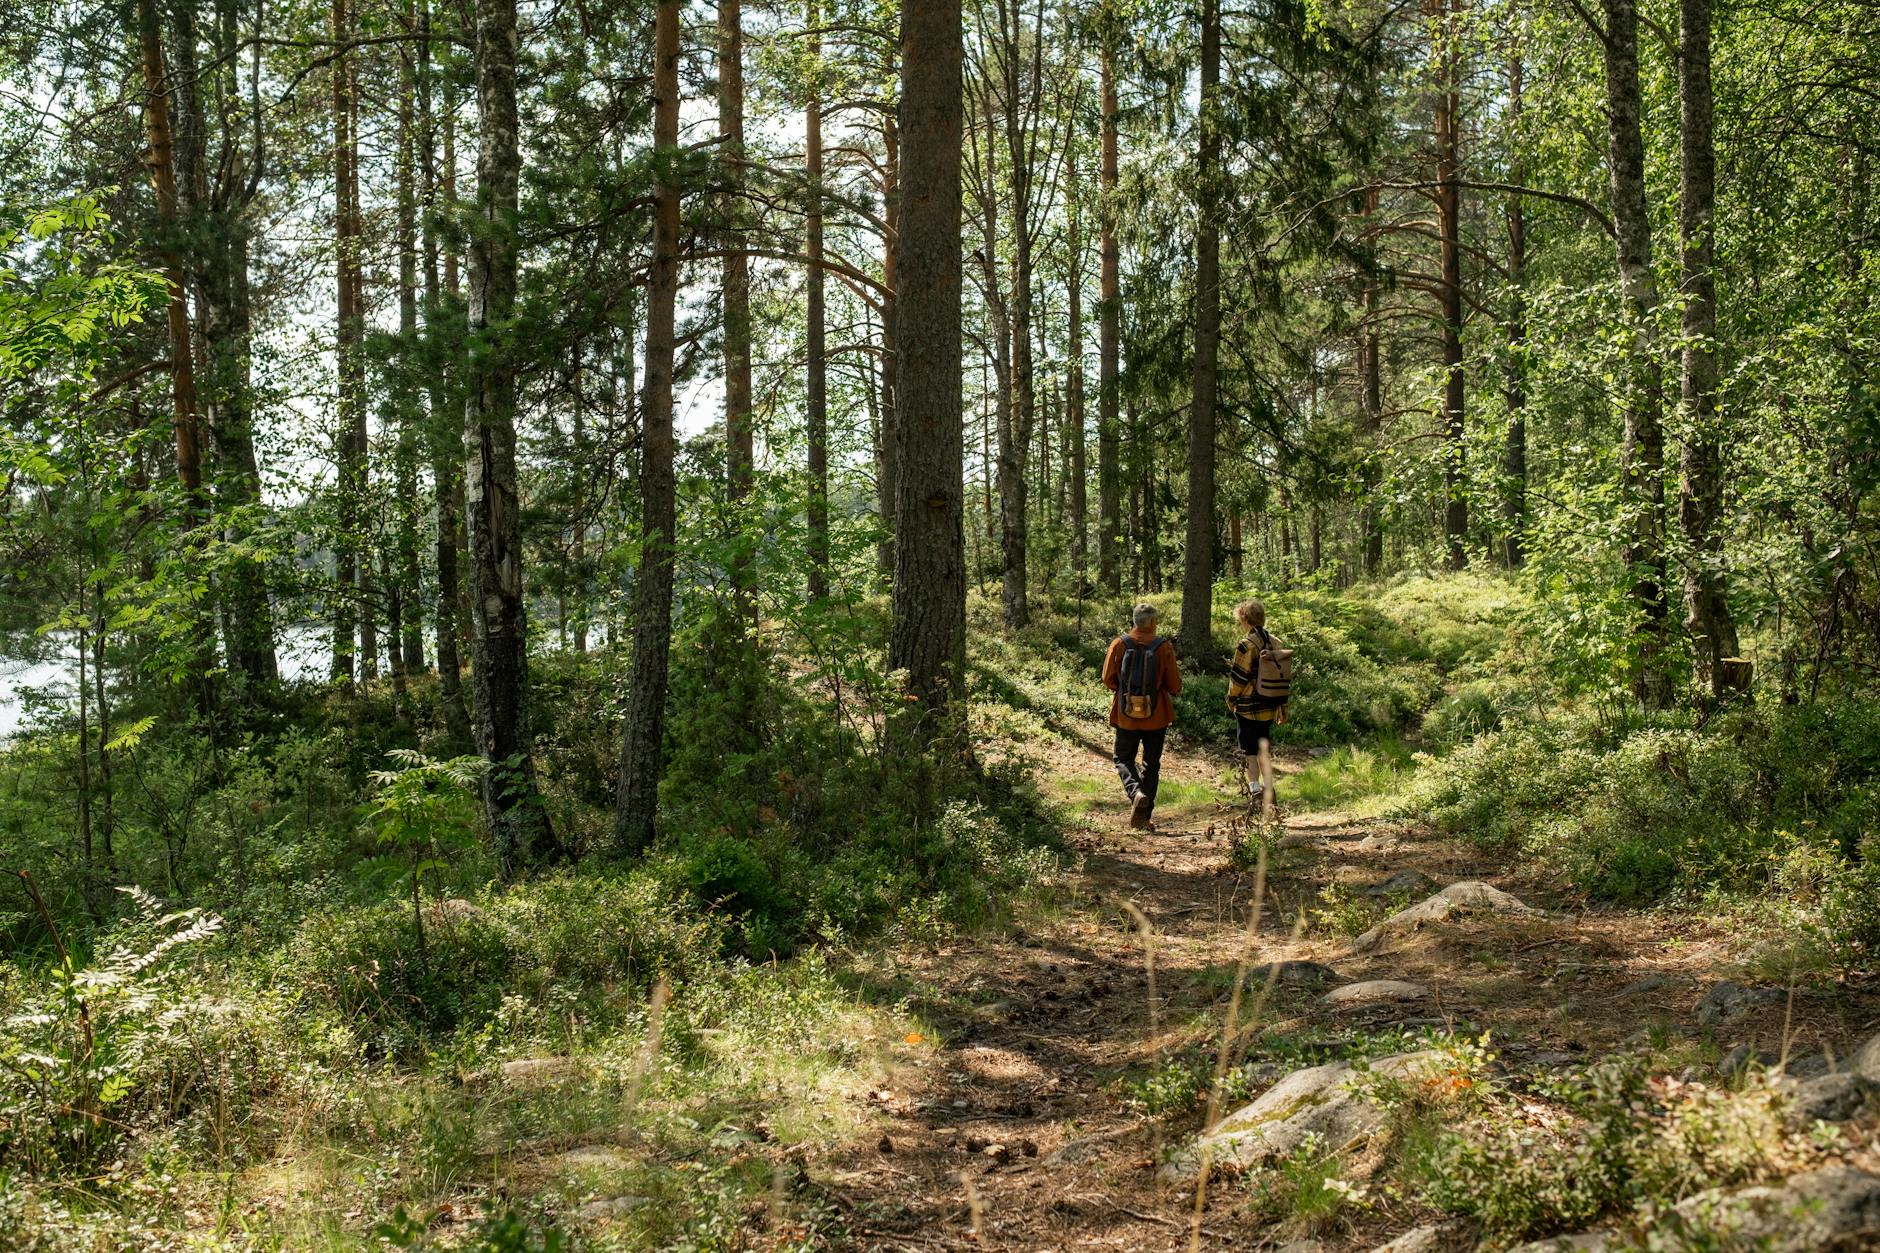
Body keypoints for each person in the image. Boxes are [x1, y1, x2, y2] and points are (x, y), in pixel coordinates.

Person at [1102, 603, 1181, 829]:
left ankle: (1135, 793)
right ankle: (1144, 818)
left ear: (1134, 620)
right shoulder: (1163, 647)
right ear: (1153, 623)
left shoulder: (1119, 643)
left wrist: (1125, 693)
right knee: (1151, 764)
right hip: (1156, 715)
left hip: (1126, 713)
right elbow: (1173, 684)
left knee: (1123, 758)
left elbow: (1108, 678)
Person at [1226, 599, 1287, 819]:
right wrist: (1282, 704)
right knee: (1263, 748)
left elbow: (1239, 677)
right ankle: (1269, 789)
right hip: (1269, 704)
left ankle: (1255, 791)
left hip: (1248, 706)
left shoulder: (1246, 645)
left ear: (1245, 619)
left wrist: (1231, 698)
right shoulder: (1275, 642)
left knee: (1249, 750)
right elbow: (1282, 677)